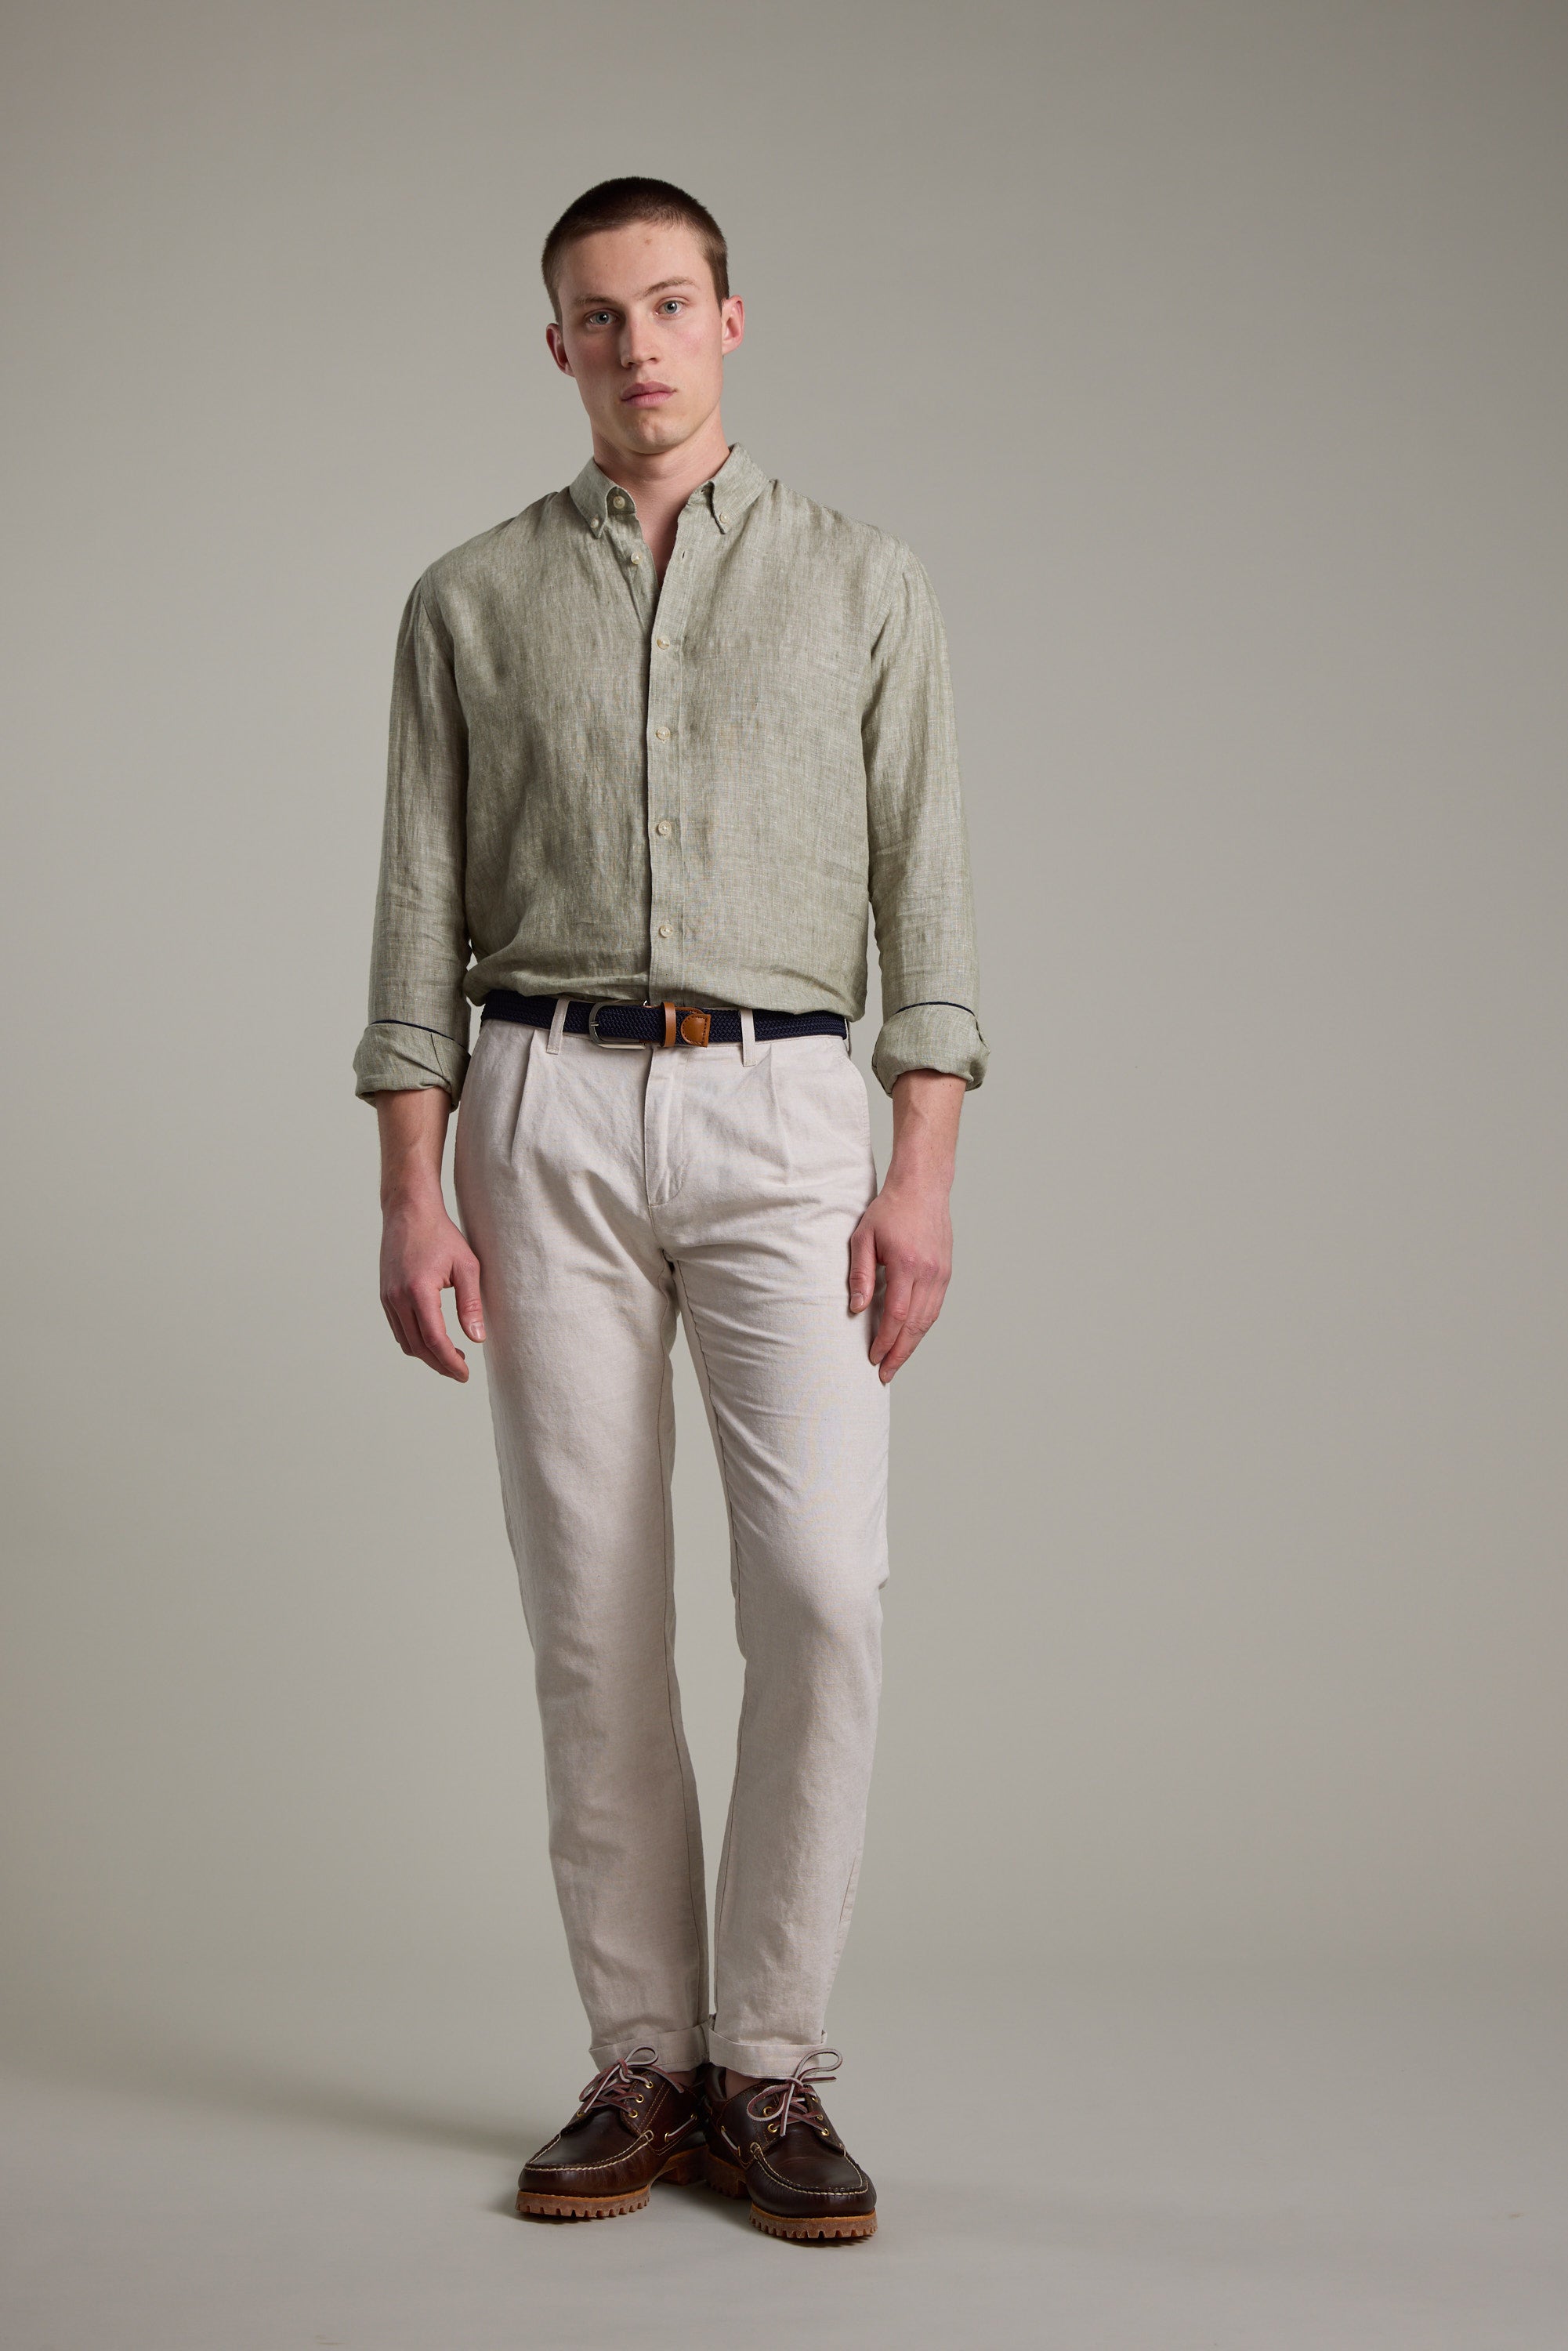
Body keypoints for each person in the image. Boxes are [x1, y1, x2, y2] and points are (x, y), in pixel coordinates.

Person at [353, 176, 987, 2244]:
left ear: (732, 320)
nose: (636, 344)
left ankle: (772, 2067)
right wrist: (411, 1192)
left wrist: (917, 1174)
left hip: (789, 1104)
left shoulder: (861, 583)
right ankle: (641, 2060)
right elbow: (416, 920)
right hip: (539, 1105)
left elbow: (927, 907)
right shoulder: (464, 599)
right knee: (589, 1614)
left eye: (669, 304)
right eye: (594, 315)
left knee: (820, 1588)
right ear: (553, 346)